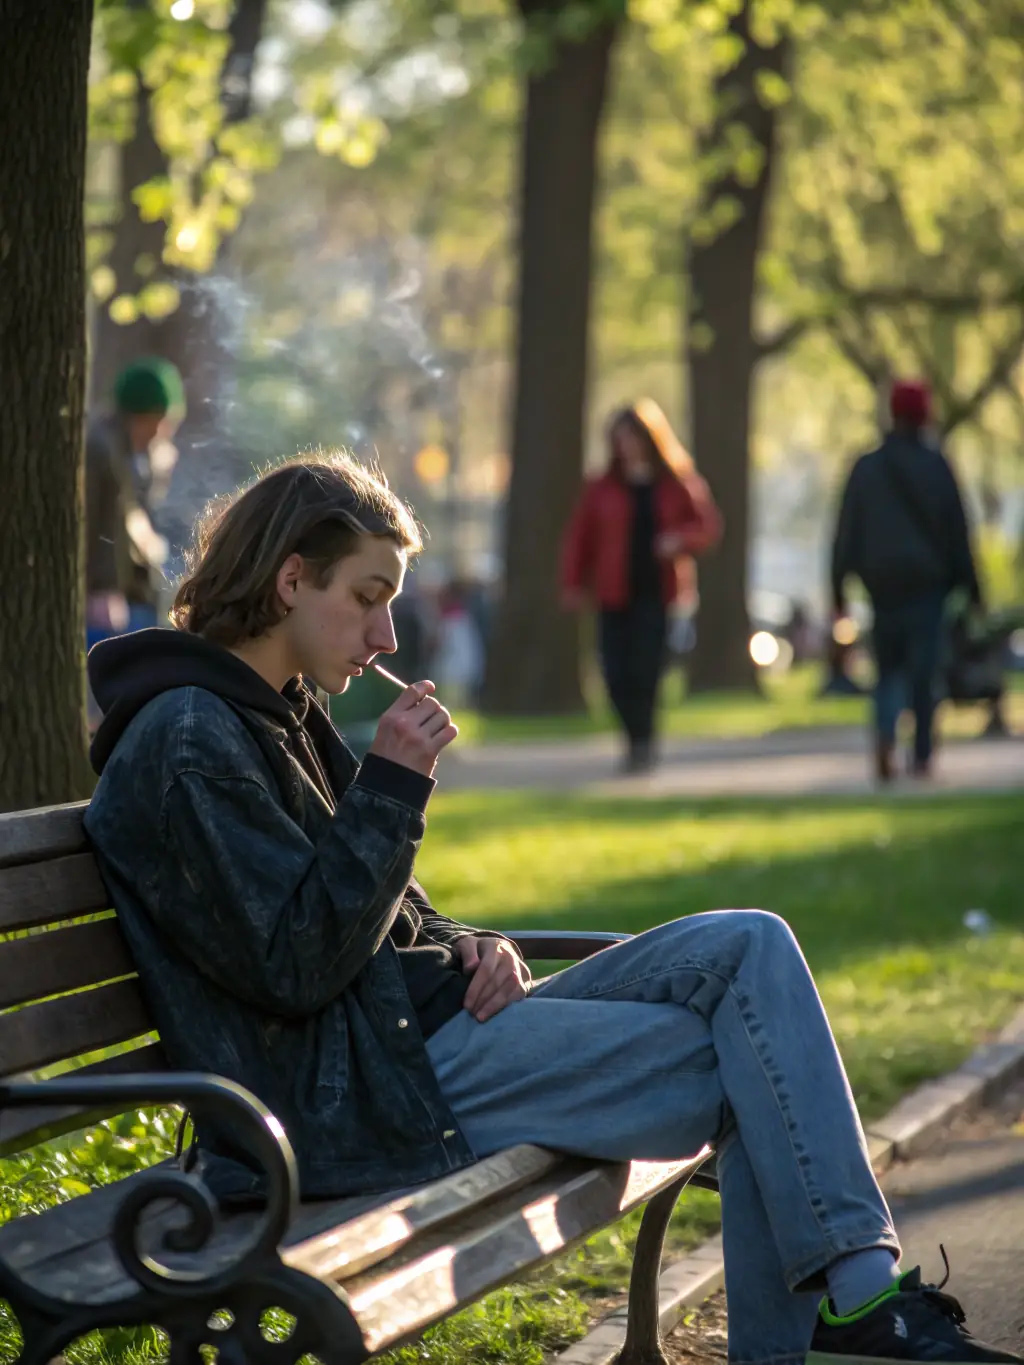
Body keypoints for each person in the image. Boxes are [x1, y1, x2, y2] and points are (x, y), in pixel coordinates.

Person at [84, 452, 1017, 1365]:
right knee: (746, 1054)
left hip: (409, 1034)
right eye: (369, 597)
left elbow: (387, 915)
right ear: (292, 579)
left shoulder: (268, 712)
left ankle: (861, 1299)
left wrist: (472, 942)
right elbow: (294, 965)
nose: (388, 638)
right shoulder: (190, 738)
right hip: (361, 1096)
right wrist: (391, 791)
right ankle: (855, 1310)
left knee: (750, 947)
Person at [831, 380, 982, 782]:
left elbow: (846, 531)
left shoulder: (867, 468)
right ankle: (921, 755)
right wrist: (973, 587)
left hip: (882, 585)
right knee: (924, 671)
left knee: (888, 670)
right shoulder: (936, 466)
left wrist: (838, 587)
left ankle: (885, 732)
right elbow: (957, 531)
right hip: (927, 586)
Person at [561, 401, 722, 773]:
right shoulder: (601, 488)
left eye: (631, 438)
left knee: (647, 671)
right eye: (619, 439)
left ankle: (643, 744)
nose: (625, 446)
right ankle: (633, 736)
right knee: (615, 673)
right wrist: (572, 583)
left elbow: (707, 526)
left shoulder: (675, 482)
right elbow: (579, 538)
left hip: (657, 594)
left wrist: (677, 541)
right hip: (612, 594)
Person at [85, 356, 185, 646]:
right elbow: (99, 523)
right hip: (103, 600)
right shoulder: (101, 452)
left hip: (135, 595)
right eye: (153, 421)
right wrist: (102, 589)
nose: (158, 431)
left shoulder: (145, 458)